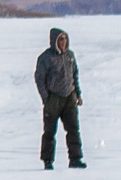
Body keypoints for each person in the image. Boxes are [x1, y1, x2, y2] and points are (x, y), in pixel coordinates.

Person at [34, 27, 85, 170]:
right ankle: (47, 161)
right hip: (54, 98)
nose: (63, 42)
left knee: (73, 129)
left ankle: (75, 159)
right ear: (54, 40)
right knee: (49, 132)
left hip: (69, 97)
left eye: (65, 39)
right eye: (61, 39)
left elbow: (74, 76)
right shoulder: (46, 58)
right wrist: (46, 98)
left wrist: (78, 94)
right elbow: (39, 78)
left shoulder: (70, 56)